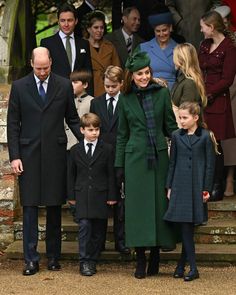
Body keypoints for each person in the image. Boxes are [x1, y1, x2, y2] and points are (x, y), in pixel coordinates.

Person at [7, 47, 81, 276]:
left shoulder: (63, 84)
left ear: (51, 63)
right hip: (28, 155)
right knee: (29, 207)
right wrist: (15, 156)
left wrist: (90, 141)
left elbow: (72, 118)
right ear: (31, 63)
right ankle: (31, 259)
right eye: (38, 68)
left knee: (53, 207)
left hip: (55, 154)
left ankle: (53, 257)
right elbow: (12, 124)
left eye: (46, 68)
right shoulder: (19, 87)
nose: (42, 72)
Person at [115, 51, 178, 279]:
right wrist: (119, 165)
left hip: (160, 158)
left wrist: (190, 139)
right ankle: (140, 257)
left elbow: (170, 127)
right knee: (138, 210)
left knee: (159, 206)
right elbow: (122, 134)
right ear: (131, 76)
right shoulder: (125, 98)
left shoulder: (162, 93)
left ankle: (156, 255)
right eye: (140, 73)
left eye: (147, 72)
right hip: (135, 159)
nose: (144, 77)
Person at [164, 102, 217, 281]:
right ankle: (185, 266)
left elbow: (210, 165)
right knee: (185, 227)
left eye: (185, 118)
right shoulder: (176, 136)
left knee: (188, 227)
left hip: (197, 187)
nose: (181, 121)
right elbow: (172, 163)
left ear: (196, 118)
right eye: (179, 117)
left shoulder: (206, 136)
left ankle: (191, 268)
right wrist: (169, 186)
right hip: (179, 185)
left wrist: (206, 189)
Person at [67, 113, 117, 276]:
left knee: (98, 230)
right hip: (81, 195)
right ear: (82, 130)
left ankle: (93, 260)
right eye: (90, 129)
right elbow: (71, 175)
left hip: (101, 195)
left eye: (96, 129)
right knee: (84, 227)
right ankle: (84, 261)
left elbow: (111, 174)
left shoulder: (107, 149)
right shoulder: (75, 150)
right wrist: (71, 197)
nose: (94, 132)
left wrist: (112, 195)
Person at [90, 65, 130, 255]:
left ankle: (121, 241)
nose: (110, 89)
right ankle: (98, 243)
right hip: (100, 158)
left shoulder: (128, 102)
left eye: (114, 86)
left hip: (122, 157)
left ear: (121, 84)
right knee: (100, 200)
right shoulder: (96, 103)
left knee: (121, 202)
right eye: (107, 86)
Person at [199, 10, 236, 201]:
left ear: (211, 27)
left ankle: (216, 186)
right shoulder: (205, 44)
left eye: (203, 26)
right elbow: (198, 68)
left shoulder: (229, 47)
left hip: (218, 101)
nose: (201, 30)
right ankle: (204, 184)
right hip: (203, 100)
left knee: (216, 145)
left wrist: (209, 93)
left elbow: (228, 79)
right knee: (203, 142)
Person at [40, 3, 93, 94]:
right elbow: (43, 72)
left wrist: (90, 97)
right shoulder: (47, 43)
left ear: (76, 21)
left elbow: (88, 72)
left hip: (79, 95)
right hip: (56, 94)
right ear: (58, 21)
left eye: (70, 20)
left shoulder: (83, 44)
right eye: (63, 20)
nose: (66, 24)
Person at [214, 5, 236, 197]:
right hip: (217, 91)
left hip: (234, 86)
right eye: (223, 21)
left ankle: (230, 178)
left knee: (231, 138)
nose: (226, 23)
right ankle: (220, 179)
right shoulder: (209, 42)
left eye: (228, 20)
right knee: (220, 137)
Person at [135, 11, 178, 90]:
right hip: (149, 89)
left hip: (172, 92)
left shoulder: (179, 49)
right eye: (158, 31)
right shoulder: (143, 48)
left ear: (170, 28)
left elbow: (183, 76)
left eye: (164, 30)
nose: (161, 34)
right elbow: (134, 73)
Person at [84, 11, 121, 97]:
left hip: (109, 88)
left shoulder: (109, 46)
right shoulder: (82, 46)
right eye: (96, 27)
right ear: (89, 29)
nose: (99, 30)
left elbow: (117, 70)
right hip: (90, 88)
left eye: (102, 28)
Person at [171, 43, 207, 127]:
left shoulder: (189, 83)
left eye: (175, 56)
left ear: (181, 59)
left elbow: (186, 114)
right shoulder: (182, 78)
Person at [66, 70, 94, 150]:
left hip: (84, 145)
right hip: (68, 145)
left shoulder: (92, 101)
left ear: (85, 84)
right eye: (71, 82)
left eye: (75, 82)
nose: (71, 85)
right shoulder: (67, 100)